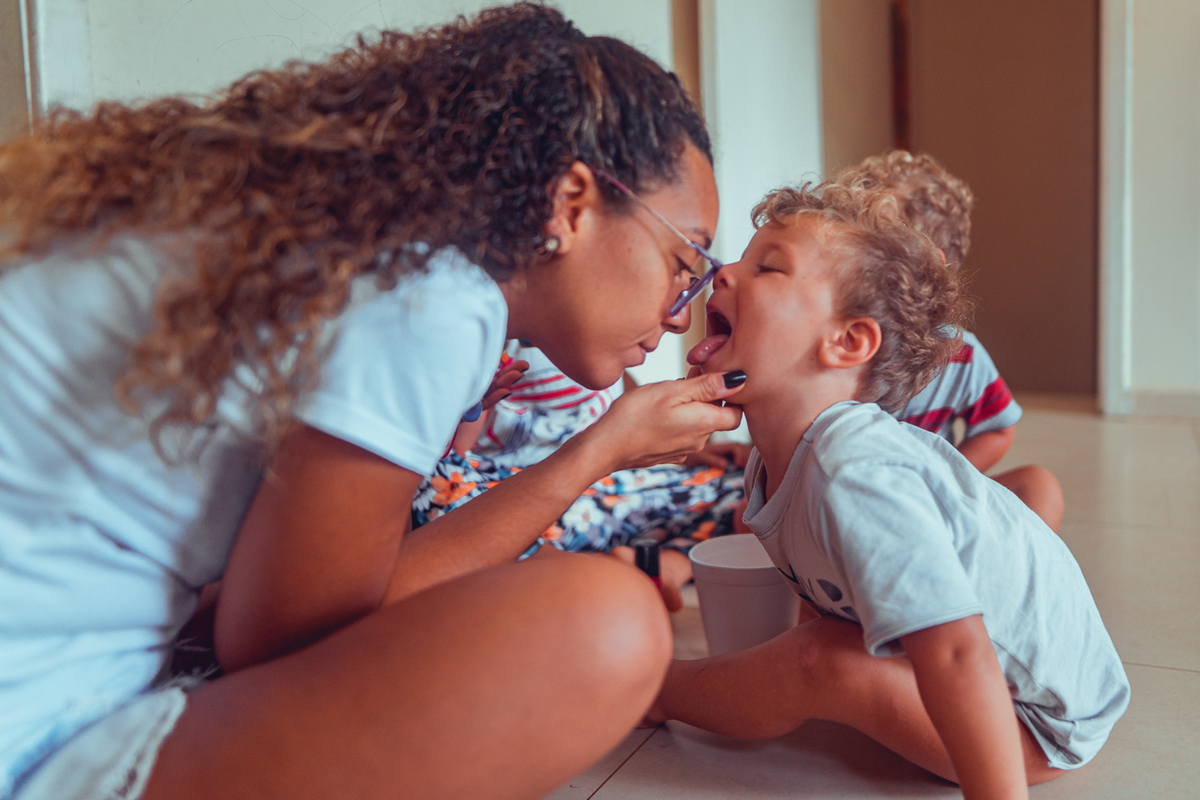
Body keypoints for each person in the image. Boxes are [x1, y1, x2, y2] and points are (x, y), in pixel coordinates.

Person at [0, 5, 748, 799]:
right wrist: (595, 454)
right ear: (570, 203)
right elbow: (280, 637)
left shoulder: (360, 249)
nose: (681, 310)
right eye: (684, 259)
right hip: (37, 725)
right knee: (611, 630)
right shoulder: (431, 296)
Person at [648, 181, 1129, 798]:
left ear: (846, 343)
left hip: (1036, 725)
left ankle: (655, 690)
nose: (725, 272)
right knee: (813, 646)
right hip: (1002, 696)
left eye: (767, 267)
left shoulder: (855, 468)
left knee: (817, 659)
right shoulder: (776, 460)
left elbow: (958, 654)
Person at [413, 339, 750, 609]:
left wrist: (688, 454)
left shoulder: (605, 351)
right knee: (451, 493)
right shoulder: (497, 342)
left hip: (601, 481)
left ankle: (666, 565)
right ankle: (654, 567)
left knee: (736, 486)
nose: (677, 321)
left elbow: (620, 395)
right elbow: (452, 468)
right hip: (536, 486)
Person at [836, 150, 1064, 530]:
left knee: (1039, 485)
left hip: (933, 504)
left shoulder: (960, 354)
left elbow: (998, 428)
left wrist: (944, 476)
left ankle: (998, 576)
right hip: (853, 509)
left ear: (932, 273)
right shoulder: (837, 348)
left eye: (874, 252)